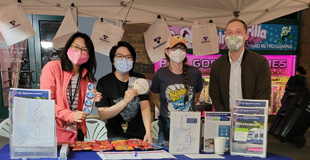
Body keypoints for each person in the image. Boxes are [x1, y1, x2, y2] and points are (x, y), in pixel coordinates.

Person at [40, 32, 102, 142]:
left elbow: (85, 112)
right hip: (54, 130)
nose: (79, 52)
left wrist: (91, 100)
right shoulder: (52, 68)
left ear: (89, 54)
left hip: (77, 132)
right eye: (76, 47)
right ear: (69, 47)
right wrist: (70, 115)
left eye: (84, 49)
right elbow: (46, 104)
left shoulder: (88, 77)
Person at [209, 18, 271, 112]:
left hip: (251, 120)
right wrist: (225, 117)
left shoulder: (260, 62)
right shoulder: (217, 65)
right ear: (225, 37)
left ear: (246, 36)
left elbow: (263, 95)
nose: (233, 36)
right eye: (229, 33)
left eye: (238, 32)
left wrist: (250, 117)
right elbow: (215, 95)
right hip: (226, 120)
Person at [96, 41, 152, 142]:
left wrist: (148, 132)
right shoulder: (104, 82)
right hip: (116, 136)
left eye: (128, 57)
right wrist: (125, 101)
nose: (124, 59)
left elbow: (145, 106)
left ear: (133, 60)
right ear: (113, 61)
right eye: (120, 56)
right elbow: (103, 115)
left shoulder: (140, 79)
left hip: (140, 136)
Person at [151, 36, 203, 144]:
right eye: (174, 48)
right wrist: (167, 111)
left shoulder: (195, 73)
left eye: (182, 48)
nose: (178, 51)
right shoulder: (159, 74)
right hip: (166, 126)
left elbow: (196, 96)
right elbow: (155, 97)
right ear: (167, 51)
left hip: (189, 126)